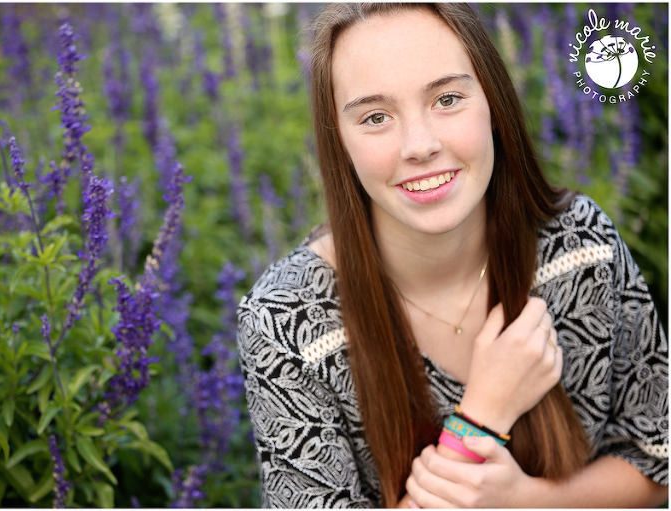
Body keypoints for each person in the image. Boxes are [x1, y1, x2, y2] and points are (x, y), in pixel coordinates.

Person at [236, 3, 668, 508]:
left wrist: (524, 501)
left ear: (493, 101)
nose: (419, 146)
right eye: (375, 117)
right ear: (339, 141)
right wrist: (483, 415)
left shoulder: (579, 247)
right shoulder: (287, 323)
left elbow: (657, 454)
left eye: (447, 99)